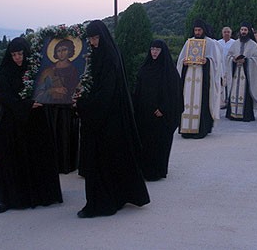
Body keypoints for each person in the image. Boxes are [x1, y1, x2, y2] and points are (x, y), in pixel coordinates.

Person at [74, 20, 150, 218]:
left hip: (108, 117)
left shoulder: (109, 56)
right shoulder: (97, 55)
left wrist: (83, 105)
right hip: (103, 116)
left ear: (103, 36)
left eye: (95, 37)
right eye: (90, 38)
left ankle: (102, 204)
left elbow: (106, 92)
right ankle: (113, 198)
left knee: (102, 161)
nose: (92, 41)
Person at [0, 37, 62, 214]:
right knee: (12, 160)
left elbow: (46, 88)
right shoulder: (5, 73)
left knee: (38, 156)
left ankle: (42, 195)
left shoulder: (35, 70)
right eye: (14, 55)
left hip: (35, 122)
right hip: (12, 124)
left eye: (20, 54)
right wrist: (26, 105)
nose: (17, 58)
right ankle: (11, 199)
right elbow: (4, 97)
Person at [132, 39, 183, 181]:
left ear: (162, 52)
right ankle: (144, 169)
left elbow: (174, 93)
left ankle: (157, 171)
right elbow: (139, 90)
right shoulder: (145, 68)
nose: (154, 52)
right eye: (152, 49)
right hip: (144, 113)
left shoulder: (169, 71)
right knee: (145, 142)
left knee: (158, 143)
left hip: (159, 115)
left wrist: (163, 109)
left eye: (157, 50)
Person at [34, 38, 80, 174]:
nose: (61, 53)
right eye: (58, 50)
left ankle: (69, 164)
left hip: (68, 109)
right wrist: (53, 90)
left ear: (70, 51)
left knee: (67, 137)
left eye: (64, 50)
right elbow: (40, 91)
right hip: (51, 107)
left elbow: (78, 88)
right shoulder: (48, 71)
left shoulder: (75, 70)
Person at [177, 19, 222, 139]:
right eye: (195, 30)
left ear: (203, 30)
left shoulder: (211, 43)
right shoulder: (188, 42)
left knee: (202, 101)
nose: (197, 32)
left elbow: (216, 63)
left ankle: (201, 129)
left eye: (199, 30)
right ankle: (186, 130)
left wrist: (207, 61)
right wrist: (184, 63)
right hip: (188, 78)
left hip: (203, 79)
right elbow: (181, 60)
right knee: (187, 101)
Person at [225, 23, 257, 121]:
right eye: (242, 30)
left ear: (248, 32)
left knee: (245, 93)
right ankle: (232, 114)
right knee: (234, 92)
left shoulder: (253, 45)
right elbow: (228, 56)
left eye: (245, 30)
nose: (243, 32)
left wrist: (246, 61)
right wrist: (233, 60)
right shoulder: (235, 43)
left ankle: (245, 115)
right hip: (235, 73)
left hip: (247, 74)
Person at [217, 26, 236, 109]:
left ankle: (230, 99)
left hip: (230, 66)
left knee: (230, 83)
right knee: (221, 84)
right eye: (225, 32)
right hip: (221, 66)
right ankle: (222, 101)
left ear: (231, 33)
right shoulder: (218, 43)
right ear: (222, 33)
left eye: (228, 32)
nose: (226, 34)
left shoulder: (234, 43)